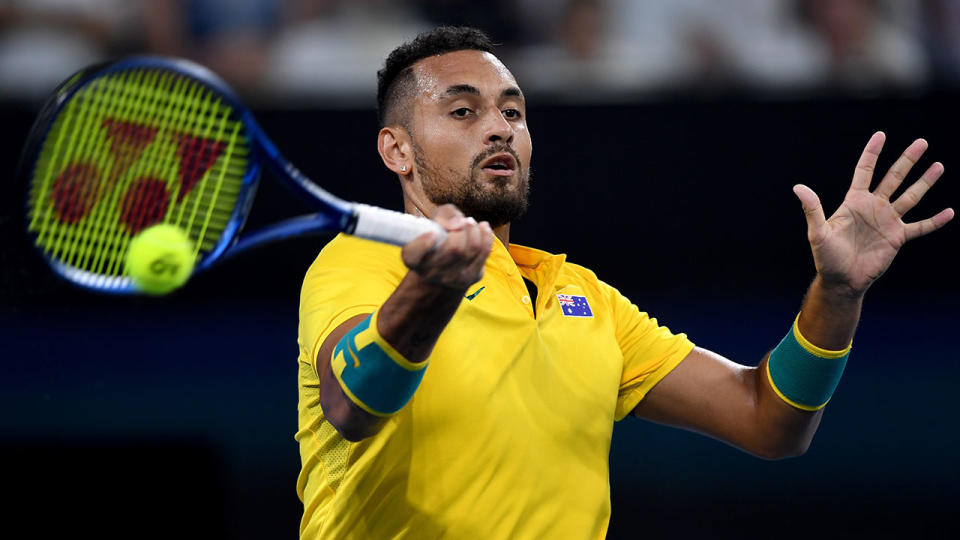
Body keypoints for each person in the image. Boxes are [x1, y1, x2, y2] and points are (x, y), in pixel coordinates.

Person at [295, 26, 953, 539]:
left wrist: (836, 296)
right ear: (397, 151)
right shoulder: (360, 264)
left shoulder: (584, 299)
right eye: (462, 112)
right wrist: (432, 291)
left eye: (514, 114)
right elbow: (352, 405)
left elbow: (770, 421)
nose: (501, 127)